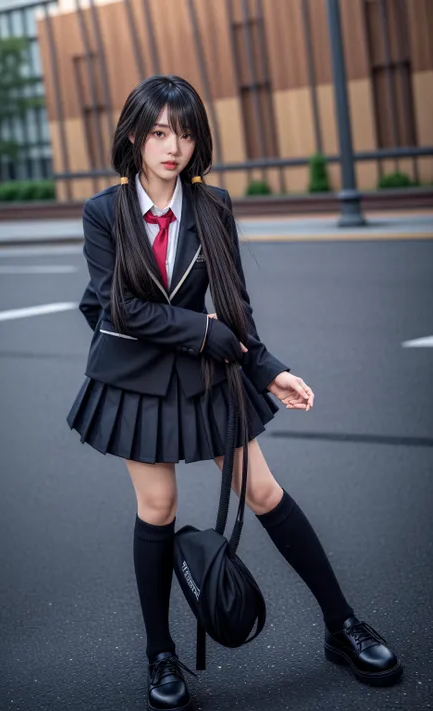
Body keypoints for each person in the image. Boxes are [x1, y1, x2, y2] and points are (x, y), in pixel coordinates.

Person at [67, 75, 402, 710]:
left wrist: (268, 367)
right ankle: (160, 655)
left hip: (206, 371)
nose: (174, 146)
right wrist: (201, 330)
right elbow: (118, 307)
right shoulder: (104, 211)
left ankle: (343, 626)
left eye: (186, 132)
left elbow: (236, 306)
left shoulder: (212, 205)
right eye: (161, 132)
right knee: (158, 507)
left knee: (265, 491)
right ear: (135, 135)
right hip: (136, 378)